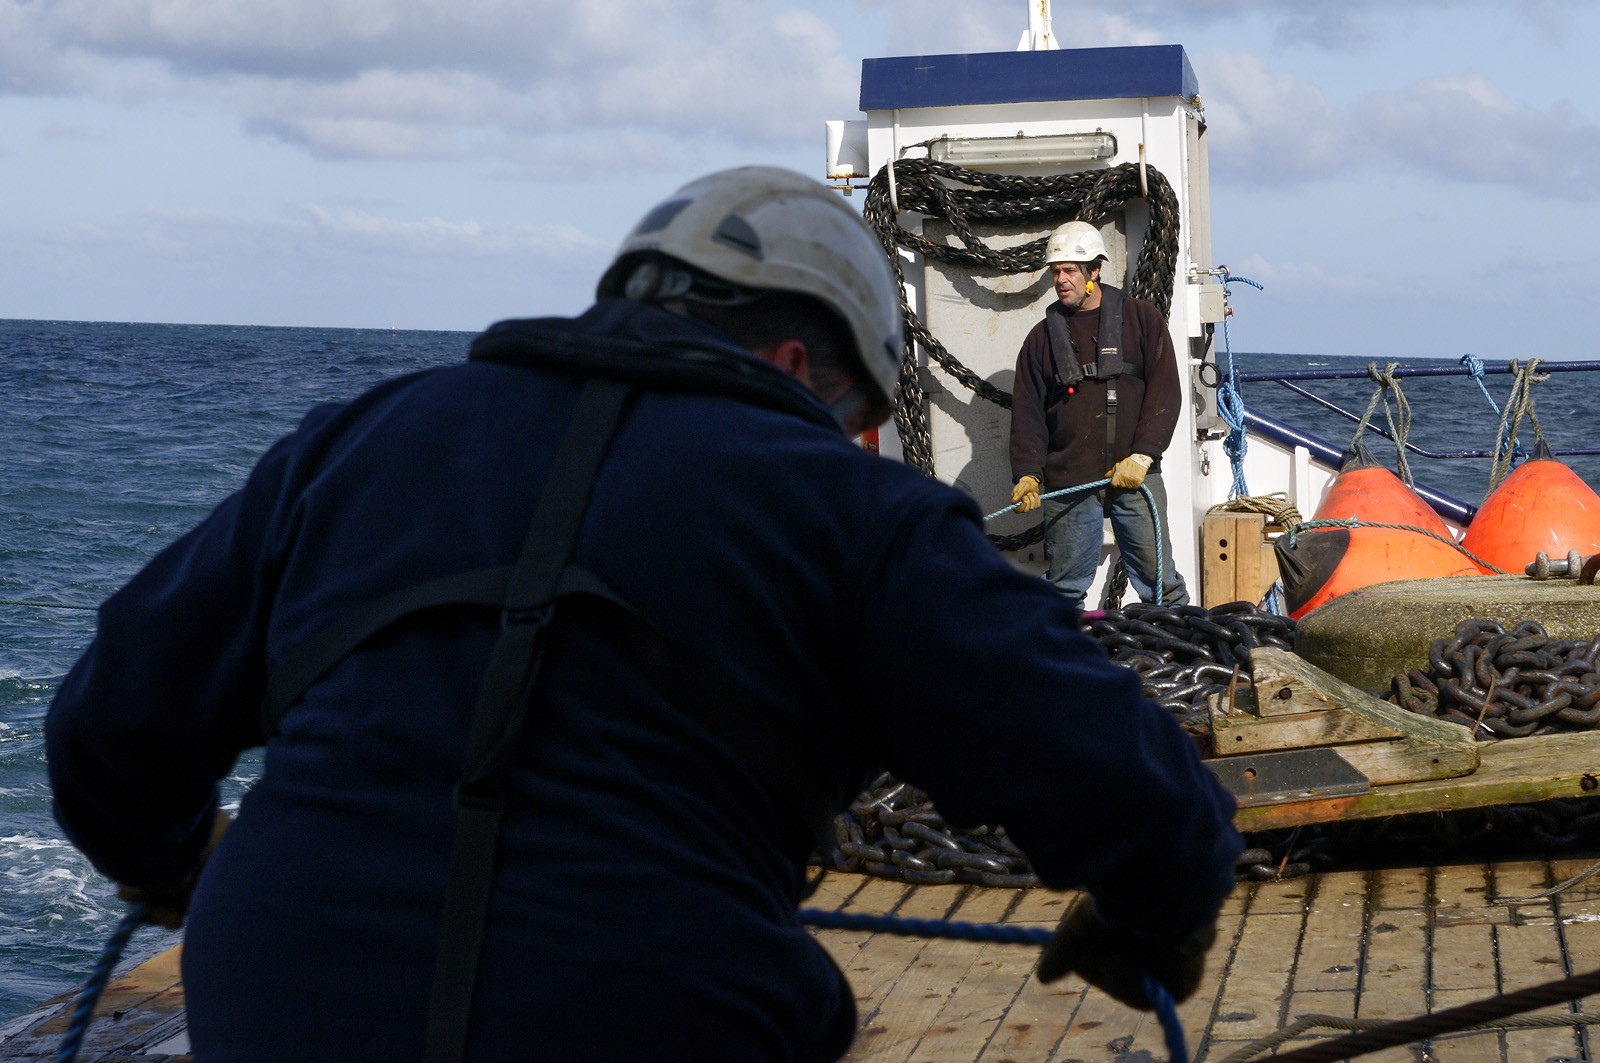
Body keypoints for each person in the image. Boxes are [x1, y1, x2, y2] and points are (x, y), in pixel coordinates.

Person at [47, 167, 1240, 1063]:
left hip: (275, 1007)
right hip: (648, 1016)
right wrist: (1151, 916)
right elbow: (1135, 790)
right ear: (796, 358)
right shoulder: (849, 507)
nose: (862, 442)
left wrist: (173, 863)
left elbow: (106, 730)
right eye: (864, 410)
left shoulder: (355, 442)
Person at [1009, 220, 1190, 610]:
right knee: (1063, 592)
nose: (1060, 279)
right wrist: (1027, 473)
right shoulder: (1040, 340)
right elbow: (1027, 414)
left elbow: (1165, 393)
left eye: (1070, 270)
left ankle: (1182, 653)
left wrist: (1143, 455)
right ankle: (1062, 662)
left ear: (1094, 271)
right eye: (1056, 271)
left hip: (1135, 476)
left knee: (1164, 587)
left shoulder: (1142, 320)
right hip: (1069, 479)